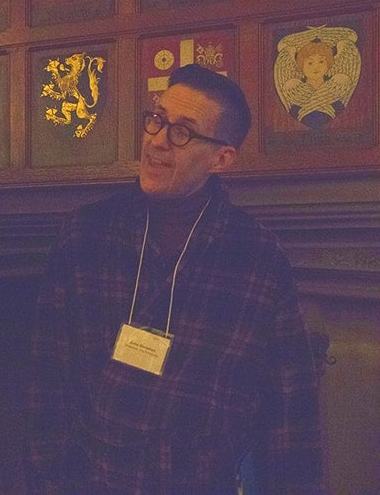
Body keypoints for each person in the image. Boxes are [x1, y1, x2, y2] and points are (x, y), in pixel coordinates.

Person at [26, 64, 324, 492]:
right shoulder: (87, 234)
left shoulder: (257, 256)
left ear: (222, 158)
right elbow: (47, 381)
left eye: (182, 131)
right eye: (157, 119)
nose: (157, 141)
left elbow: (290, 411)